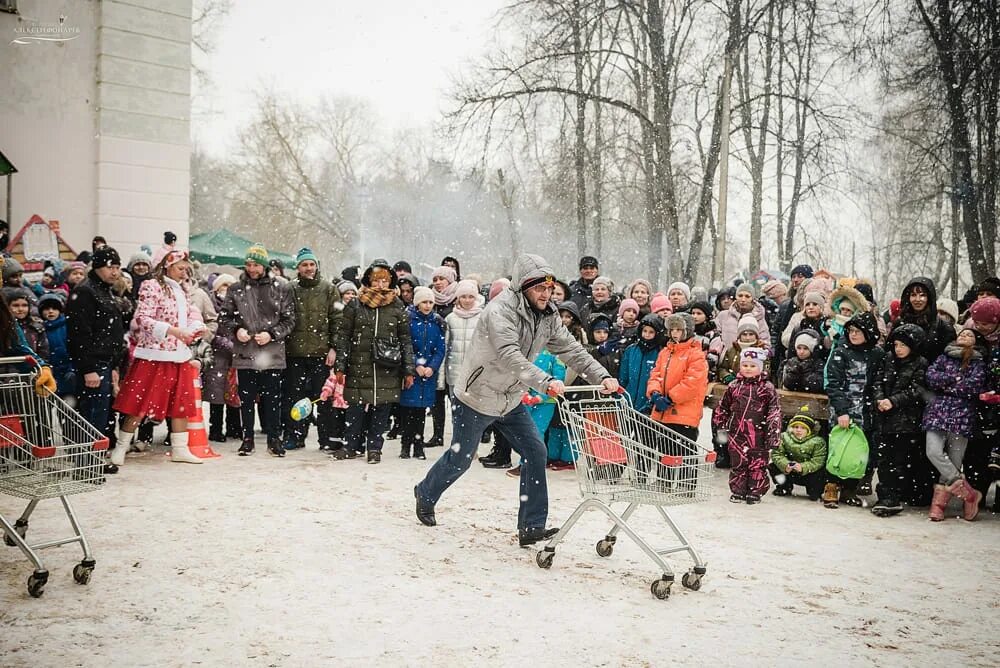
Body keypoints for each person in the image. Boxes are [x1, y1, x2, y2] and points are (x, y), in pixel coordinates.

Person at [413, 254, 618, 547]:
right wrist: (545, 382)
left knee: (536, 452)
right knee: (460, 459)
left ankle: (532, 526)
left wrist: (602, 376)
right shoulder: (501, 312)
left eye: (549, 289)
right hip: (477, 396)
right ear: (523, 287)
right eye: (539, 289)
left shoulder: (547, 315)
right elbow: (510, 356)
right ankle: (425, 492)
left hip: (510, 398)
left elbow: (572, 349)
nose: (546, 295)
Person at [111, 247, 207, 466]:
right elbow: (142, 318)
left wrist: (195, 326)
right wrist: (173, 331)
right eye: (181, 268)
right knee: (139, 404)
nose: (184, 273)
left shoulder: (182, 290)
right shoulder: (151, 286)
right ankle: (121, 447)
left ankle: (180, 449)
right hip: (154, 354)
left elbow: (191, 313)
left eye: (186, 269)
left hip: (178, 354)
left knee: (181, 403)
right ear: (168, 266)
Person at [218, 243, 296, 458]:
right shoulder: (236, 289)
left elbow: (290, 320)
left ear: (264, 265)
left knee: (273, 399)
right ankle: (247, 438)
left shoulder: (281, 287)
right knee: (246, 399)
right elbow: (224, 318)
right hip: (245, 352)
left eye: (256, 265)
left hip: (271, 353)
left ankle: (274, 439)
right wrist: (237, 331)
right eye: (248, 264)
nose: (251, 269)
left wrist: (272, 334)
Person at [334, 259, 414, 464]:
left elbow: (405, 340)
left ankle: (374, 449)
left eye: (385, 281)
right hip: (359, 363)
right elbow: (343, 336)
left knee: (382, 409)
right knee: (355, 408)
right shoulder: (355, 304)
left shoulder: (397, 307)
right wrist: (340, 366)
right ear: (368, 280)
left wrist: (408, 370)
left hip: (388, 366)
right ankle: (350, 446)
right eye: (376, 280)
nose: (380, 285)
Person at [65, 246, 126, 473]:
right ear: (98, 267)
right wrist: (88, 368)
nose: (115, 272)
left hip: (106, 363)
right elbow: (79, 334)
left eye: (118, 267)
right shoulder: (86, 292)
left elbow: (112, 331)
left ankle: (95, 459)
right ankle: (85, 464)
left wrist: (115, 365)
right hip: (92, 364)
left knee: (102, 415)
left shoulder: (105, 290)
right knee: (90, 414)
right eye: (110, 267)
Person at [922, 327, 988, 521]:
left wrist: (948, 383)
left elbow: (973, 386)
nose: (964, 337)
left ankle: (939, 505)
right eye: (962, 334)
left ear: (975, 341)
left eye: (969, 335)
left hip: (963, 416)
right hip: (938, 412)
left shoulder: (978, 362)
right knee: (932, 451)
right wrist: (954, 379)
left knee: (955, 459)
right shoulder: (943, 357)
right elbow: (931, 377)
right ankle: (969, 493)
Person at [282, 247, 342, 452]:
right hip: (295, 353)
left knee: (323, 397)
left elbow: (337, 320)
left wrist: (334, 348)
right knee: (295, 397)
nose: (309, 268)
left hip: (321, 354)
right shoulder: (290, 289)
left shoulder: (328, 289)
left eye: (312, 264)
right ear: (298, 267)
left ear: (317, 266)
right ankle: (295, 435)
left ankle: (325, 438)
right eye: (304, 265)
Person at [822, 312, 885, 507]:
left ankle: (850, 488)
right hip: (844, 409)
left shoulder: (877, 354)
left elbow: (878, 382)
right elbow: (832, 383)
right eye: (851, 331)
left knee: (858, 452)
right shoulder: (841, 351)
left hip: (866, 412)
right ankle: (831, 486)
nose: (854, 335)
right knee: (838, 449)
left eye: (858, 331)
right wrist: (842, 411)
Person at [870, 324, 931, 516]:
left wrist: (894, 401)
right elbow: (877, 381)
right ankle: (886, 494)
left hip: (906, 421)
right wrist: (880, 399)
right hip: (884, 418)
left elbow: (916, 390)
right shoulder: (888, 359)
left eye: (903, 345)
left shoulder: (920, 363)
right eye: (896, 345)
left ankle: (896, 495)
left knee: (900, 459)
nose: (898, 349)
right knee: (884, 459)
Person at [712, 348, 781, 504]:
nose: (748, 369)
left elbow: (774, 412)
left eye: (752, 366)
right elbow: (723, 407)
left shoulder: (767, 388)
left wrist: (773, 433)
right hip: (737, 433)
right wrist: (720, 425)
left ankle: (755, 491)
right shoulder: (734, 386)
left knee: (757, 464)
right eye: (745, 365)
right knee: (738, 462)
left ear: (760, 368)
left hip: (759, 434)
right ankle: (738, 490)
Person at [399, 286, 445, 460]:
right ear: (417, 303)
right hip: (412, 372)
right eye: (424, 302)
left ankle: (419, 446)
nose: (427, 306)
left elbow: (440, 349)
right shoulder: (408, 321)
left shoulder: (437, 323)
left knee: (421, 412)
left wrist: (431, 367)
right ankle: (406, 444)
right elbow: (406, 345)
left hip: (428, 375)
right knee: (407, 410)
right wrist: (416, 364)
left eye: (430, 302)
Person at [204, 274, 241, 443]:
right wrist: (224, 342)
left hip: (236, 357)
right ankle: (216, 429)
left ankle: (234, 427)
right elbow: (210, 329)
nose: (226, 288)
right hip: (217, 357)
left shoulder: (239, 306)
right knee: (216, 395)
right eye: (223, 285)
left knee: (234, 393)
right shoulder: (211, 305)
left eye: (229, 285)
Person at [769, 406, 827, 501]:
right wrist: (785, 465)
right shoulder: (784, 437)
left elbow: (818, 461)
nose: (799, 430)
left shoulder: (818, 442)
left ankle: (814, 491)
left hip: (808, 472)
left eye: (803, 428)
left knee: (820, 473)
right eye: (796, 427)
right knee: (773, 465)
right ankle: (783, 487)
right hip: (790, 471)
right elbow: (777, 454)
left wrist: (803, 467)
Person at [618, 313, 666, 415]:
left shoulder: (661, 352)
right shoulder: (631, 350)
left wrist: (651, 403)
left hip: (648, 406)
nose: (647, 334)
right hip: (628, 403)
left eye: (651, 332)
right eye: (644, 331)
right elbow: (623, 377)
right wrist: (622, 396)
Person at [781, 329, 825, 394]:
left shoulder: (819, 364)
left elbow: (816, 386)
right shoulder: (790, 362)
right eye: (799, 348)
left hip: (812, 399)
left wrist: (804, 372)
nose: (801, 352)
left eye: (805, 348)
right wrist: (793, 374)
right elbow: (786, 384)